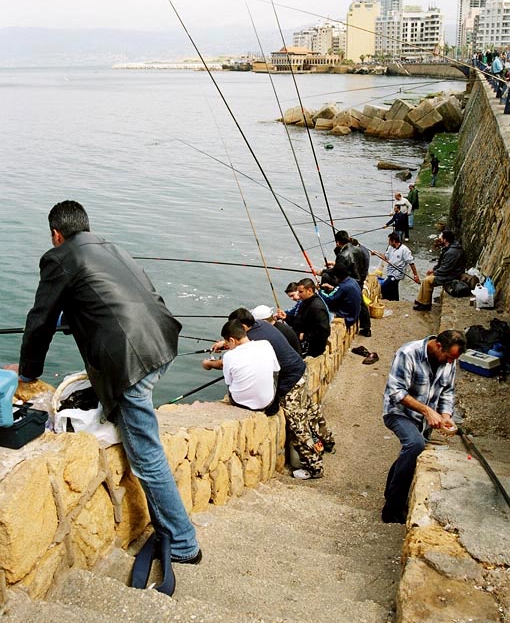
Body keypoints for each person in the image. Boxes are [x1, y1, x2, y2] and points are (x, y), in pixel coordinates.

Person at [15, 200, 200, 596]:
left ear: (56, 234)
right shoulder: (112, 247)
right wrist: (77, 317)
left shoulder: (59, 257)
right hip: (162, 341)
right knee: (135, 433)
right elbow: (119, 296)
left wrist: (28, 373)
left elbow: (40, 319)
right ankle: (178, 532)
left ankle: (184, 542)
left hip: (132, 360)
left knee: (146, 456)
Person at [206, 308, 334, 479]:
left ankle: (314, 468)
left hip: (290, 380)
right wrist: (226, 343)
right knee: (311, 410)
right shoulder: (260, 325)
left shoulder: (257, 339)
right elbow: (244, 343)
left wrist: (210, 363)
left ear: (243, 326)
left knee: (298, 424)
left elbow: (233, 360)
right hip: (299, 369)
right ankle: (327, 441)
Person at [382, 329, 466, 523]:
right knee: (415, 445)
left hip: (423, 419)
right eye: (449, 357)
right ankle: (392, 510)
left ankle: (390, 491)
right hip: (398, 412)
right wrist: (428, 411)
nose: (451, 362)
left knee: (411, 451)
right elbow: (396, 392)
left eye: (454, 359)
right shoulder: (408, 353)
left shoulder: (449, 361)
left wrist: (445, 415)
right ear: (438, 345)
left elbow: (447, 391)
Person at [203, 319, 278, 411]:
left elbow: (229, 382)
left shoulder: (228, 356)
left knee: (232, 380)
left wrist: (209, 363)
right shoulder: (266, 344)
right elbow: (276, 369)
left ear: (231, 340)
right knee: (274, 372)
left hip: (240, 403)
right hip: (267, 403)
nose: (227, 346)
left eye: (227, 343)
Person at [324, 230, 371, 336]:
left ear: (337, 242)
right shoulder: (359, 249)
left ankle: (332, 311)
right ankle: (366, 327)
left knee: (326, 277)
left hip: (350, 281)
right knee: (361, 303)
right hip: (359, 280)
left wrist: (323, 271)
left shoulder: (342, 255)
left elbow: (338, 272)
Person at [414, 230, 466, 311]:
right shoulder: (451, 248)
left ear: (445, 240)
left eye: (441, 237)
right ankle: (421, 300)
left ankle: (425, 304)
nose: (440, 239)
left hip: (452, 276)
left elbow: (445, 269)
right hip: (450, 273)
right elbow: (441, 264)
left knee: (427, 280)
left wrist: (435, 272)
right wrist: (433, 270)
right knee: (427, 278)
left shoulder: (452, 252)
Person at [278, 278, 331, 357]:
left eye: (301, 292)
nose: (298, 294)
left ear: (309, 291)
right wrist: (286, 317)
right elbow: (300, 321)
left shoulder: (317, 307)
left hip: (311, 348)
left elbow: (324, 332)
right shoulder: (305, 302)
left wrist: (305, 336)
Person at [378, 233, 420, 301]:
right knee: (393, 288)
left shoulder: (404, 250)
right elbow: (385, 258)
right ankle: (395, 300)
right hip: (390, 272)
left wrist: (415, 276)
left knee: (384, 287)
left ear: (394, 241)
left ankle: (386, 300)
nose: (388, 242)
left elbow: (411, 263)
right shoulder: (390, 247)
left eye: (389, 241)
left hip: (398, 273)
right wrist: (376, 253)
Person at [319, 263, 361, 328]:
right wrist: (333, 289)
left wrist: (320, 290)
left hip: (347, 317)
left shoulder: (343, 287)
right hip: (354, 314)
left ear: (336, 276)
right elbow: (340, 293)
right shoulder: (352, 281)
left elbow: (328, 300)